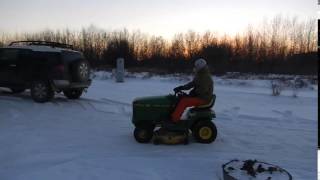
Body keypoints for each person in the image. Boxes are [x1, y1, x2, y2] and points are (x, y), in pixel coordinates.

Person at [171, 58, 214, 122]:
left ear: (200, 67)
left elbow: (203, 90)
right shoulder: (200, 74)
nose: (195, 68)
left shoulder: (205, 76)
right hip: (201, 96)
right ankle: (173, 115)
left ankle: (174, 120)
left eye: (196, 66)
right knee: (180, 99)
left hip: (204, 98)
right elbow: (193, 83)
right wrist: (182, 87)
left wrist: (193, 94)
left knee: (183, 102)